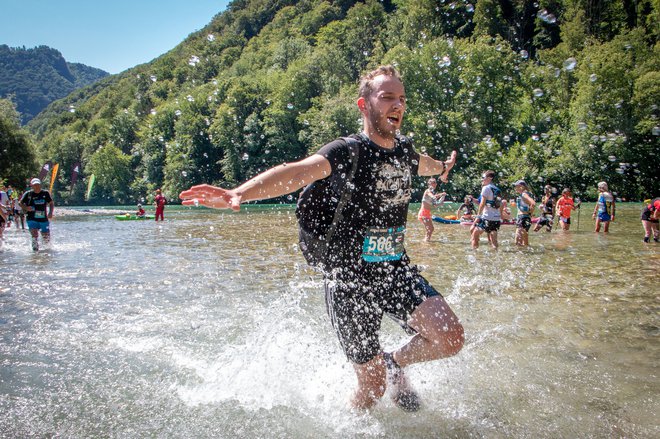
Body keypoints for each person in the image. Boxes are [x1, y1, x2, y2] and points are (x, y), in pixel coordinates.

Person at [179, 65, 464, 411]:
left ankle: (395, 362)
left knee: (450, 337)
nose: (397, 105)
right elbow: (297, 172)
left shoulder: (404, 151)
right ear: (365, 105)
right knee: (371, 390)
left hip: (394, 268)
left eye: (401, 98)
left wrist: (443, 169)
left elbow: (426, 164)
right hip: (348, 280)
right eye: (387, 96)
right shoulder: (346, 151)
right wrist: (239, 192)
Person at [19, 178, 54, 251]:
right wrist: (26, 208)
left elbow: (51, 203)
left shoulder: (45, 193)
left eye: (38, 185)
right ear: (31, 186)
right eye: (35, 185)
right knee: (34, 234)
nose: (37, 186)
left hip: (43, 218)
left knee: (46, 236)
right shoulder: (28, 194)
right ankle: (35, 251)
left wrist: (50, 212)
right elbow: (20, 203)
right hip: (31, 218)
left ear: (40, 185)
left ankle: (47, 251)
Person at [471, 170, 502, 249]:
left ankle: (475, 254)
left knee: (475, 234)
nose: (482, 179)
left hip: (487, 217)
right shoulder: (496, 189)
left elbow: (482, 203)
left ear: (489, 178)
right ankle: (496, 256)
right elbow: (498, 205)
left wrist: (478, 216)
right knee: (494, 241)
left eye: (483, 177)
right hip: (496, 218)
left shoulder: (486, 188)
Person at [513, 180, 535, 246]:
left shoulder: (524, 194)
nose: (515, 188)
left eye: (516, 186)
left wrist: (529, 212)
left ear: (521, 187)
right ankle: (527, 255)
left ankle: (520, 255)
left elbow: (533, 203)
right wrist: (530, 214)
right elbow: (530, 205)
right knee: (525, 242)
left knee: (517, 242)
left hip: (522, 218)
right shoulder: (528, 193)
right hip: (526, 218)